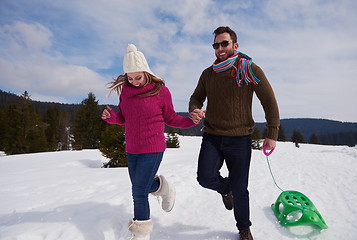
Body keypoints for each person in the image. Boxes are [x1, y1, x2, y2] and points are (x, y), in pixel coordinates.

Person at [189, 26, 280, 240]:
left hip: (239, 139)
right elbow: (196, 97)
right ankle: (225, 189)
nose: (220, 48)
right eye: (216, 45)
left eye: (224, 43)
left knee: (241, 190)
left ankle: (244, 228)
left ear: (235, 45)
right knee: (204, 177)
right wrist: (194, 109)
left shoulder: (249, 69)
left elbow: (269, 101)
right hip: (212, 135)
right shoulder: (207, 74)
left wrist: (272, 133)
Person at [102, 44, 199, 240]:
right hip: (132, 149)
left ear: (146, 72)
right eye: (130, 78)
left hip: (152, 148)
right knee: (143, 187)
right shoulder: (126, 93)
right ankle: (164, 188)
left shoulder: (161, 91)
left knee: (138, 191)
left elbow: (171, 118)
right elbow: (123, 117)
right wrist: (111, 117)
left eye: (138, 77)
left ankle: (141, 234)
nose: (134, 82)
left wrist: (191, 121)